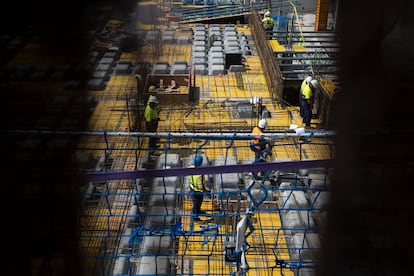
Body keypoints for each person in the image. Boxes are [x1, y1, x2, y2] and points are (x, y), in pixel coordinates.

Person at [189, 155, 208, 220]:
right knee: (197, 203)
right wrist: (205, 191)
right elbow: (201, 185)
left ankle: (198, 211)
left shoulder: (190, 168)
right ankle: (195, 216)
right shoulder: (200, 174)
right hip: (198, 191)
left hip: (192, 188)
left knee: (196, 203)